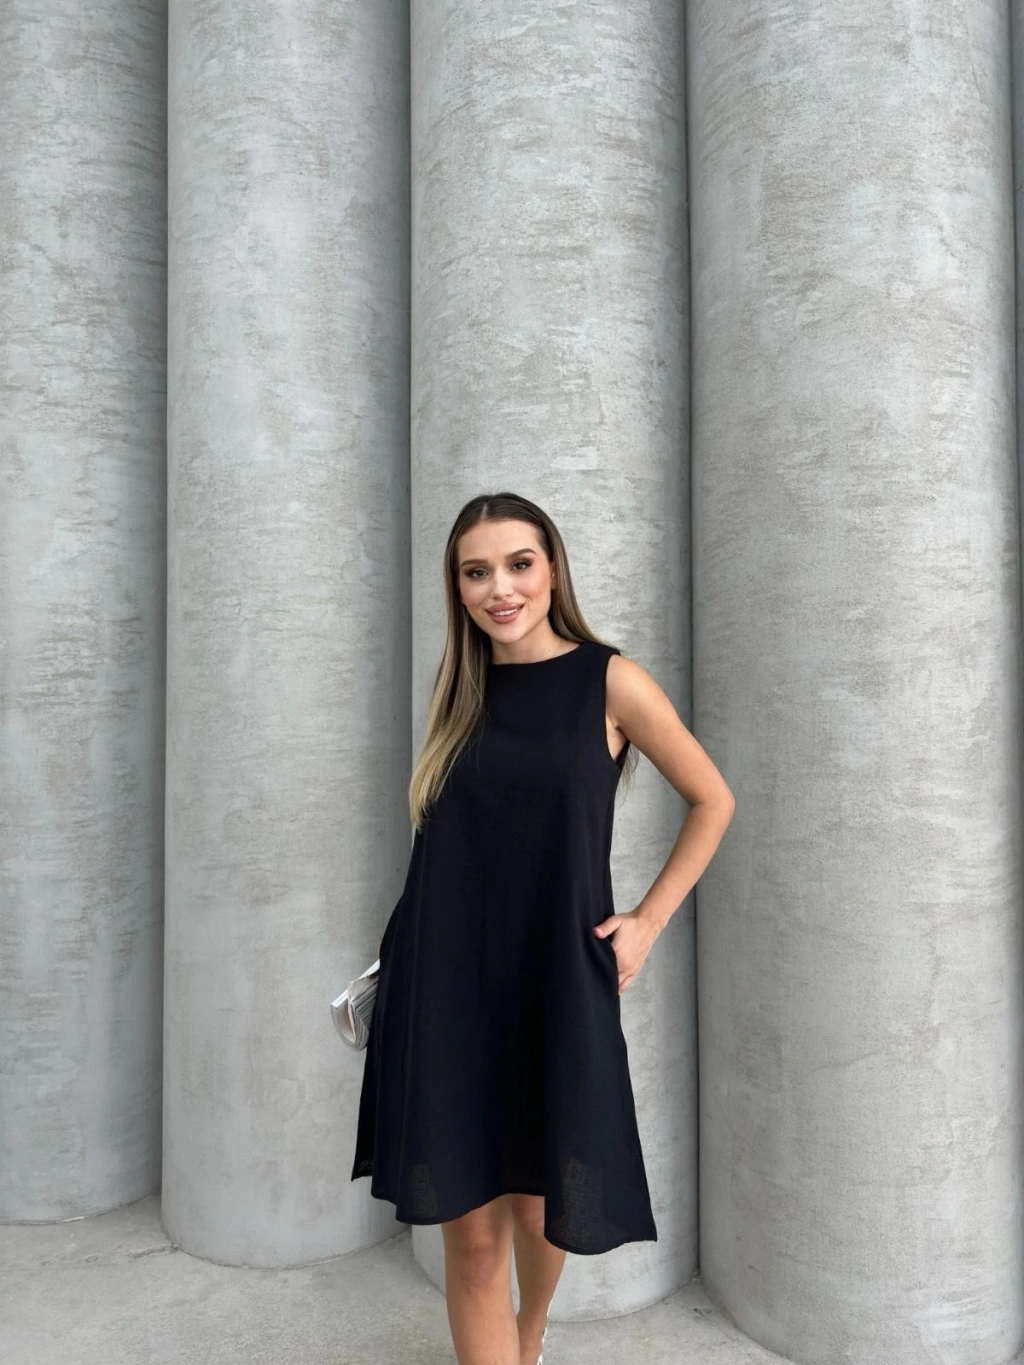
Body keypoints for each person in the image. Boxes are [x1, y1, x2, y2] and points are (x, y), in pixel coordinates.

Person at [351, 491, 735, 1365]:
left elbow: (713, 798)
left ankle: (528, 1335)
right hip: (443, 985)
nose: (500, 588)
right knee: (471, 1237)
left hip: (554, 980)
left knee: (537, 1202)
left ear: (552, 568)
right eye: (476, 571)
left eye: (518, 563)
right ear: (457, 586)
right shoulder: (459, 689)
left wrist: (646, 921)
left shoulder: (610, 681)